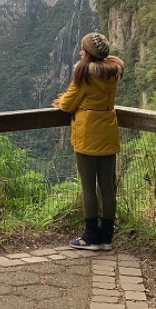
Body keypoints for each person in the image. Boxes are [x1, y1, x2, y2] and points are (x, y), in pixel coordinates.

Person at [52, 32, 124, 251]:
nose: (80, 51)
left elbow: (68, 103)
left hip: (88, 134)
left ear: (89, 54)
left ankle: (90, 236)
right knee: (107, 187)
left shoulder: (84, 73)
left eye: (83, 49)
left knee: (88, 187)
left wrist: (60, 102)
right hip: (108, 130)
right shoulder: (113, 72)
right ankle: (106, 237)